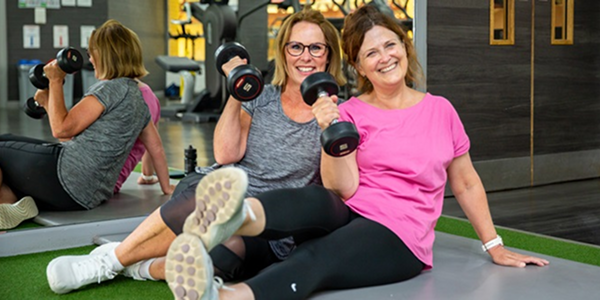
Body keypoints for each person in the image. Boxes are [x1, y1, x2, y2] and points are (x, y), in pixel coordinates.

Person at [160, 5, 551, 300]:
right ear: (360, 66)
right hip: (348, 208)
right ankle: (234, 215)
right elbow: (341, 187)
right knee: (314, 198)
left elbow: (464, 182)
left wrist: (494, 244)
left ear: (404, 46)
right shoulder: (347, 110)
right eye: (371, 54)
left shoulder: (440, 110)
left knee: (317, 258)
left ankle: (228, 297)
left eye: (389, 45)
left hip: (398, 232)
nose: (384, 58)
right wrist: (331, 127)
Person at [45, 8, 346, 294]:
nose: (305, 56)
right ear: (283, 53)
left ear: (328, 55)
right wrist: (237, 85)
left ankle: (139, 267)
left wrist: (326, 124)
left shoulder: (337, 114)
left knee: (218, 263)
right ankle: (107, 263)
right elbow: (226, 154)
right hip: (222, 194)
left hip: (271, 225)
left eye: (315, 48)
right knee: (210, 200)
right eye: (296, 47)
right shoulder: (262, 97)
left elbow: (337, 188)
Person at [0, 19, 173, 231]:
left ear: (106, 56)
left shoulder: (108, 90)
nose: (90, 59)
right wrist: (167, 188)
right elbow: (156, 148)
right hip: (87, 197)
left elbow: (61, 130)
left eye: (93, 53)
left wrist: (55, 81)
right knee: (8, 150)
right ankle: (8, 204)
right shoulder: (140, 103)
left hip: (64, 175)